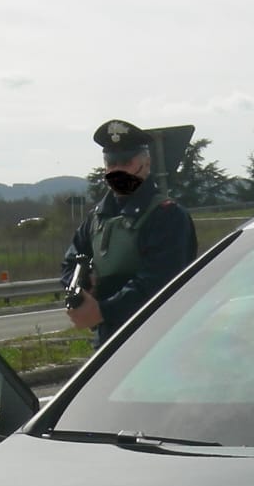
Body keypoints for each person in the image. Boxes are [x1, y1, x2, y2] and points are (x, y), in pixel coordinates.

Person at [61, 118, 198, 342]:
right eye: (111, 162)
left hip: (159, 337)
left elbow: (159, 282)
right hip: (108, 337)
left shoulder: (167, 216)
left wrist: (104, 311)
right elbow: (71, 262)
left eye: (126, 161)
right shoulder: (97, 217)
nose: (117, 169)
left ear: (146, 163)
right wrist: (80, 288)